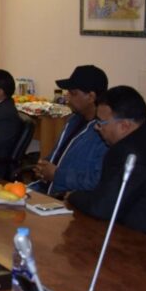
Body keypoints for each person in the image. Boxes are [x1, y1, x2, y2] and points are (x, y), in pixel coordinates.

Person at [68, 86, 146, 236]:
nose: (97, 128)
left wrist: (72, 195)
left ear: (124, 126)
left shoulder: (128, 152)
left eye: (101, 122)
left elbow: (102, 208)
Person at [33, 65, 109, 196]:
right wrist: (43, 167)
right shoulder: (74, 119)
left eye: (73, 93)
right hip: (43, 190)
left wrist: (57, 174)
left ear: (91, 97)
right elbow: (58, 155)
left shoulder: (103, 133)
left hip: (64, 199)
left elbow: (96, 181)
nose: (67, 98)